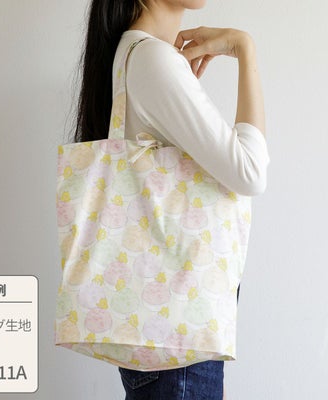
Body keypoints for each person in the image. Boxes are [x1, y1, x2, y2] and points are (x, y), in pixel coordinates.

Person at [69, 1, 270, 399]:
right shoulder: (152, 59)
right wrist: (245, 49)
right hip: (179, 346)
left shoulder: (136, 54)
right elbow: (250, 171)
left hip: (165, 337)